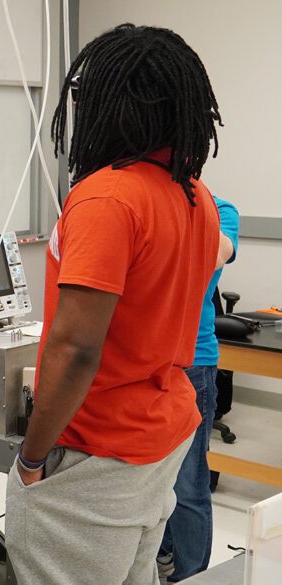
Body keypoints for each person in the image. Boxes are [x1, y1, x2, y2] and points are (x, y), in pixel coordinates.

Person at [5, 24, 223, 585]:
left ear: (110, 103)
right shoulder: (194, 193)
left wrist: (32, 457)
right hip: (160, 428)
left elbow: (77, 347)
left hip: (95, 445)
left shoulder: (107, 197)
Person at [158, 196, 239, 582]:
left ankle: (191, 575)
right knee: (149, 474)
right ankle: (162, 554)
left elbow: (219, 252)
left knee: (188, 480)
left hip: (194, 360)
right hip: (147, 360)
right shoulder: (152, 204)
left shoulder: (220, 209)